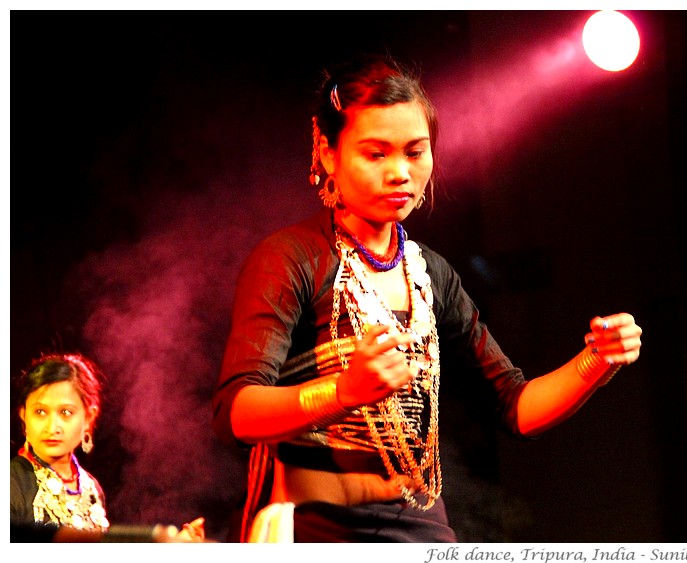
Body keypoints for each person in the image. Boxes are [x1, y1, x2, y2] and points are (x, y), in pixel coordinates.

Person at [212, 53, 643, 543]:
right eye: (376, 154)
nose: (400, 173)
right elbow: (235, 413)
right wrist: (340, 393)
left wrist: (595, 363)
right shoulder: (291, 258)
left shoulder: (431, 274)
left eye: (415, 153)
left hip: (422, 531)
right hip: (318, 530)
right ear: (328, 153)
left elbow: (516, 406)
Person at [10, 352, 207, 542]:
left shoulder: (92, 488)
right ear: (23, 414)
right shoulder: (11, 482)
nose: (52, 427)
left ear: (89, 417)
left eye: (66, 413)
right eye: (40, 412)